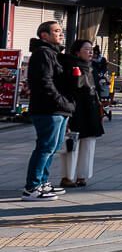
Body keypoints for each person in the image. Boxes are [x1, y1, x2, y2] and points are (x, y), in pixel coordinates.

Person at [20, 20, 76, 200]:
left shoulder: (52, 53)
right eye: (56, 31)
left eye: (61, 31)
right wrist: (62, 102)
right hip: (48, 109)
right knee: (45, 147)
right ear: (44, 35)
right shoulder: (43, 54)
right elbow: (45, 83)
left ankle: (43, 182)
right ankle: (32, 187)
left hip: (57, 109)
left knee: (52, 147)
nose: (61, 34)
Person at [60, 40, 105, 188]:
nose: (90, 52)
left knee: (89, 143)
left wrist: (100, 112)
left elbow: (96, 91)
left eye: (91, 49)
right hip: (75, 110)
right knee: (72, 143)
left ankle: (82, 176)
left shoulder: (92, 67)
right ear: (77, 52)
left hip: (91, 110)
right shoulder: (69, 65)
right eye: (86, 49)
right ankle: (68, 176)